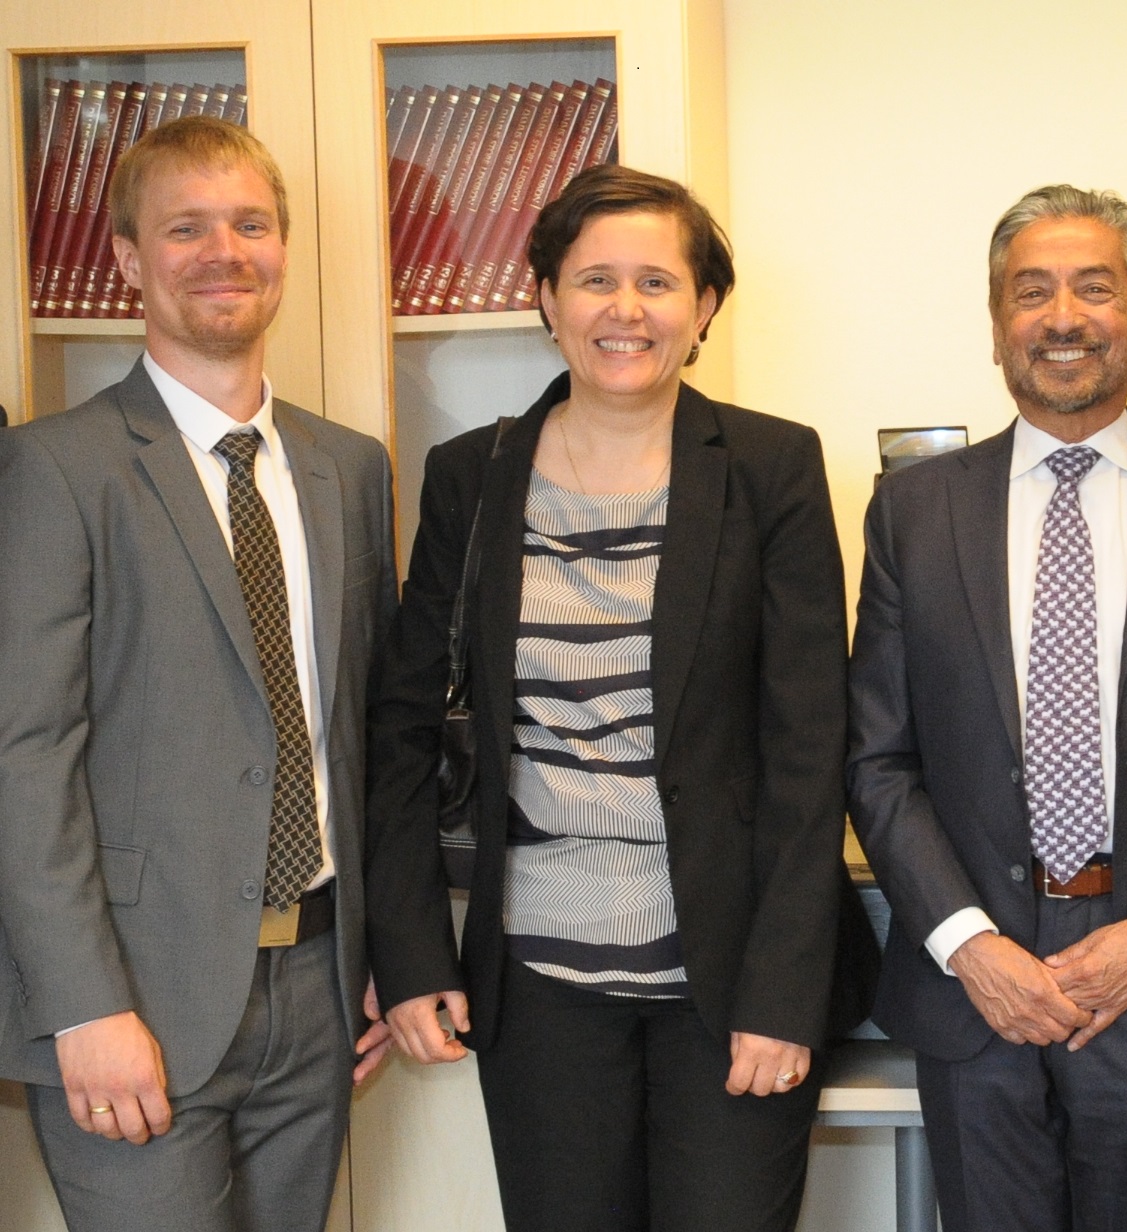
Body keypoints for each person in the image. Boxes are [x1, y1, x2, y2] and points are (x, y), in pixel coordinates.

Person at [365, 163, 875, 1231]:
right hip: (536, 981)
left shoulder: (769, 465)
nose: (625, 309)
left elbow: (805, 741)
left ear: (703, 309)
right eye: (594, 278)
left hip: (730, 981)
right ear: (546, 299)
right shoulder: (472, 473)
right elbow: (404, 725)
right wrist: (410, 954)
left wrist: (783, 995)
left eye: (656, 280)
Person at [847, 184, 1127, 1232]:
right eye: (1029, 291)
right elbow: (875, 756)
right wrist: (967, 942)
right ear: (996, 323)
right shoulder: (912, 508)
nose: (1062, 316)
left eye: (1095, 286)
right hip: (973, 972)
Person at [0, 116, 398, 1232]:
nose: (223, 250)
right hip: (134, 998)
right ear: (127, 258)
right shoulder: (53, 469)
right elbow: (23, 755)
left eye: (250, 223)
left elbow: (363, 732)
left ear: (282, 246)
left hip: (320, 993)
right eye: (185, 227)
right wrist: (83, 1005)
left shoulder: (348, 469)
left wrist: (378, 950)